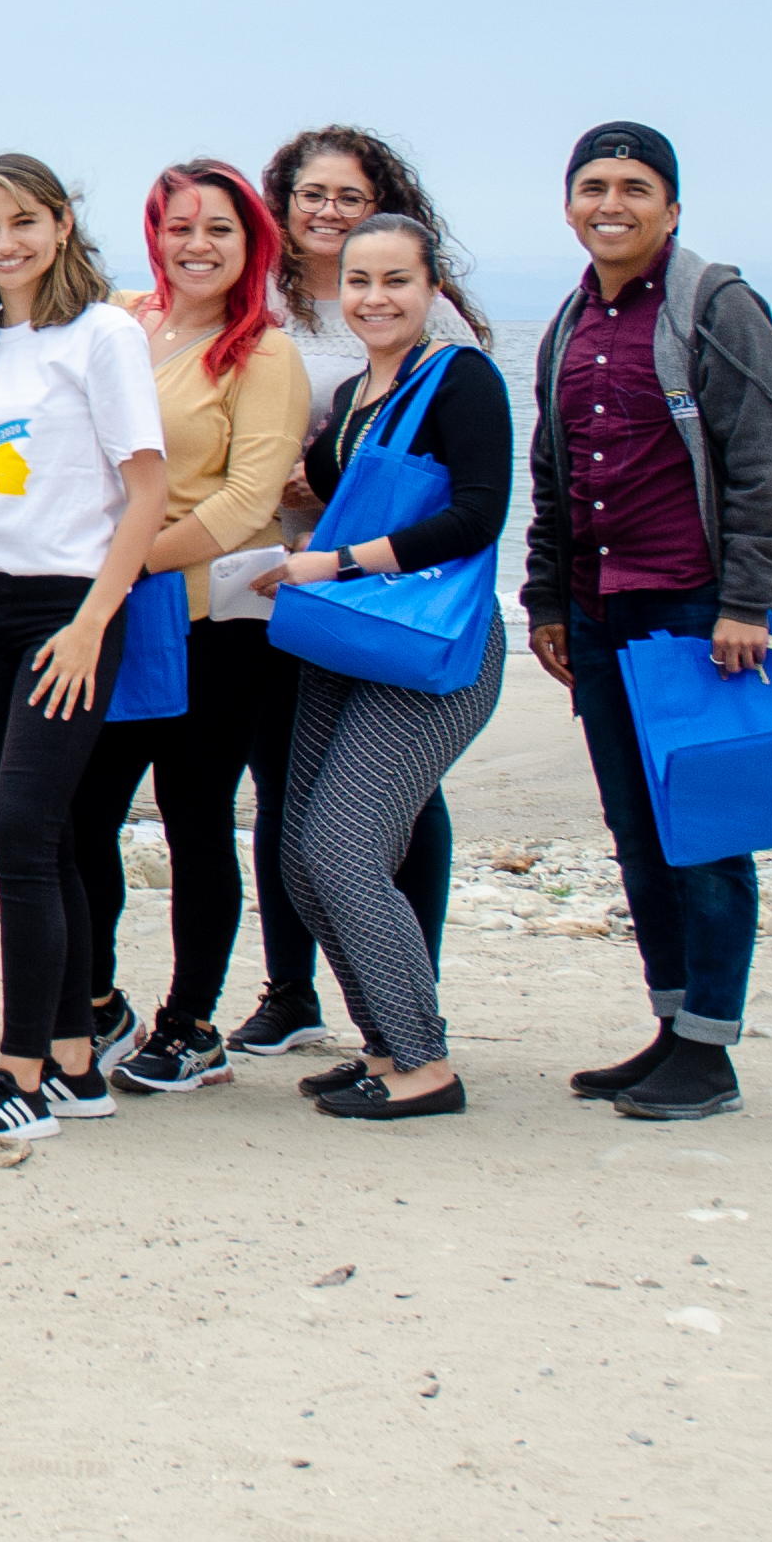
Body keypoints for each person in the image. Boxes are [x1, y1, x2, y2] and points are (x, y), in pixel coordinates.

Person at [526, 123, 772, 1124]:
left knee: (708, 836)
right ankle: (671, 1029)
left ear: (672, 207)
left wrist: (747, 603)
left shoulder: (716, 305)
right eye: (593, 185)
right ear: (569, 203)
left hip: (697, 610)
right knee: (637, 835)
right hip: (600, 614)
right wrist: (546, 600)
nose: (610, 203)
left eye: (634, 186)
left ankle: (710, 1053)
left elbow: (769, 460)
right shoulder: (569, 321)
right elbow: (553, 478)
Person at [0, 154, 171, 1146]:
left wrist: (92, 622)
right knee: (50, 839)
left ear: (62, 225)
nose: (4, 241)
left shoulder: (101, 334)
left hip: (66, 611)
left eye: (22, 220)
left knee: (22, 830)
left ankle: (17, 1074)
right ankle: (73, 1058)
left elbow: (144, 491)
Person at [231, 124, 487, 1057]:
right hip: (269, 582)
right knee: (282, 791)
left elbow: (462, 475)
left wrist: (327, 494)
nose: (328, 213)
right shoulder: (256, 298)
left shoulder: (434, 327)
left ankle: (408, 999)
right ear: (281, 203)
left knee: (395, 803)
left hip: (377, 593)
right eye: (312, 195)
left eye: (350, 196)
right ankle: (291, 990)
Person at [270, 215, 516, 1122]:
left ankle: (423, 1065)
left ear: (432, 287)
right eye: (359, 280)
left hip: (428, 649)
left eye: (396, 281)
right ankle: (380, 1041)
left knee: (344, 849)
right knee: (300, 856)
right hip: (347, 642)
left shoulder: (460, 378)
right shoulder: (355, 393)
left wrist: (331, 562)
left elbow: (477, 517)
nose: (375, 297)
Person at [72, 161, 309, 1094]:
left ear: (252, 241)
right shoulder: (121, 322)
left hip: (213, 614)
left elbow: (251, 500)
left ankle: (191, 1022)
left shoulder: (264, 352)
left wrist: (123, 560)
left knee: (194, 816)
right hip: (112, 606)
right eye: (178, 226)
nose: (196, 244)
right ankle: (94, 1001)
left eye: (219, 227)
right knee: (84, 810)